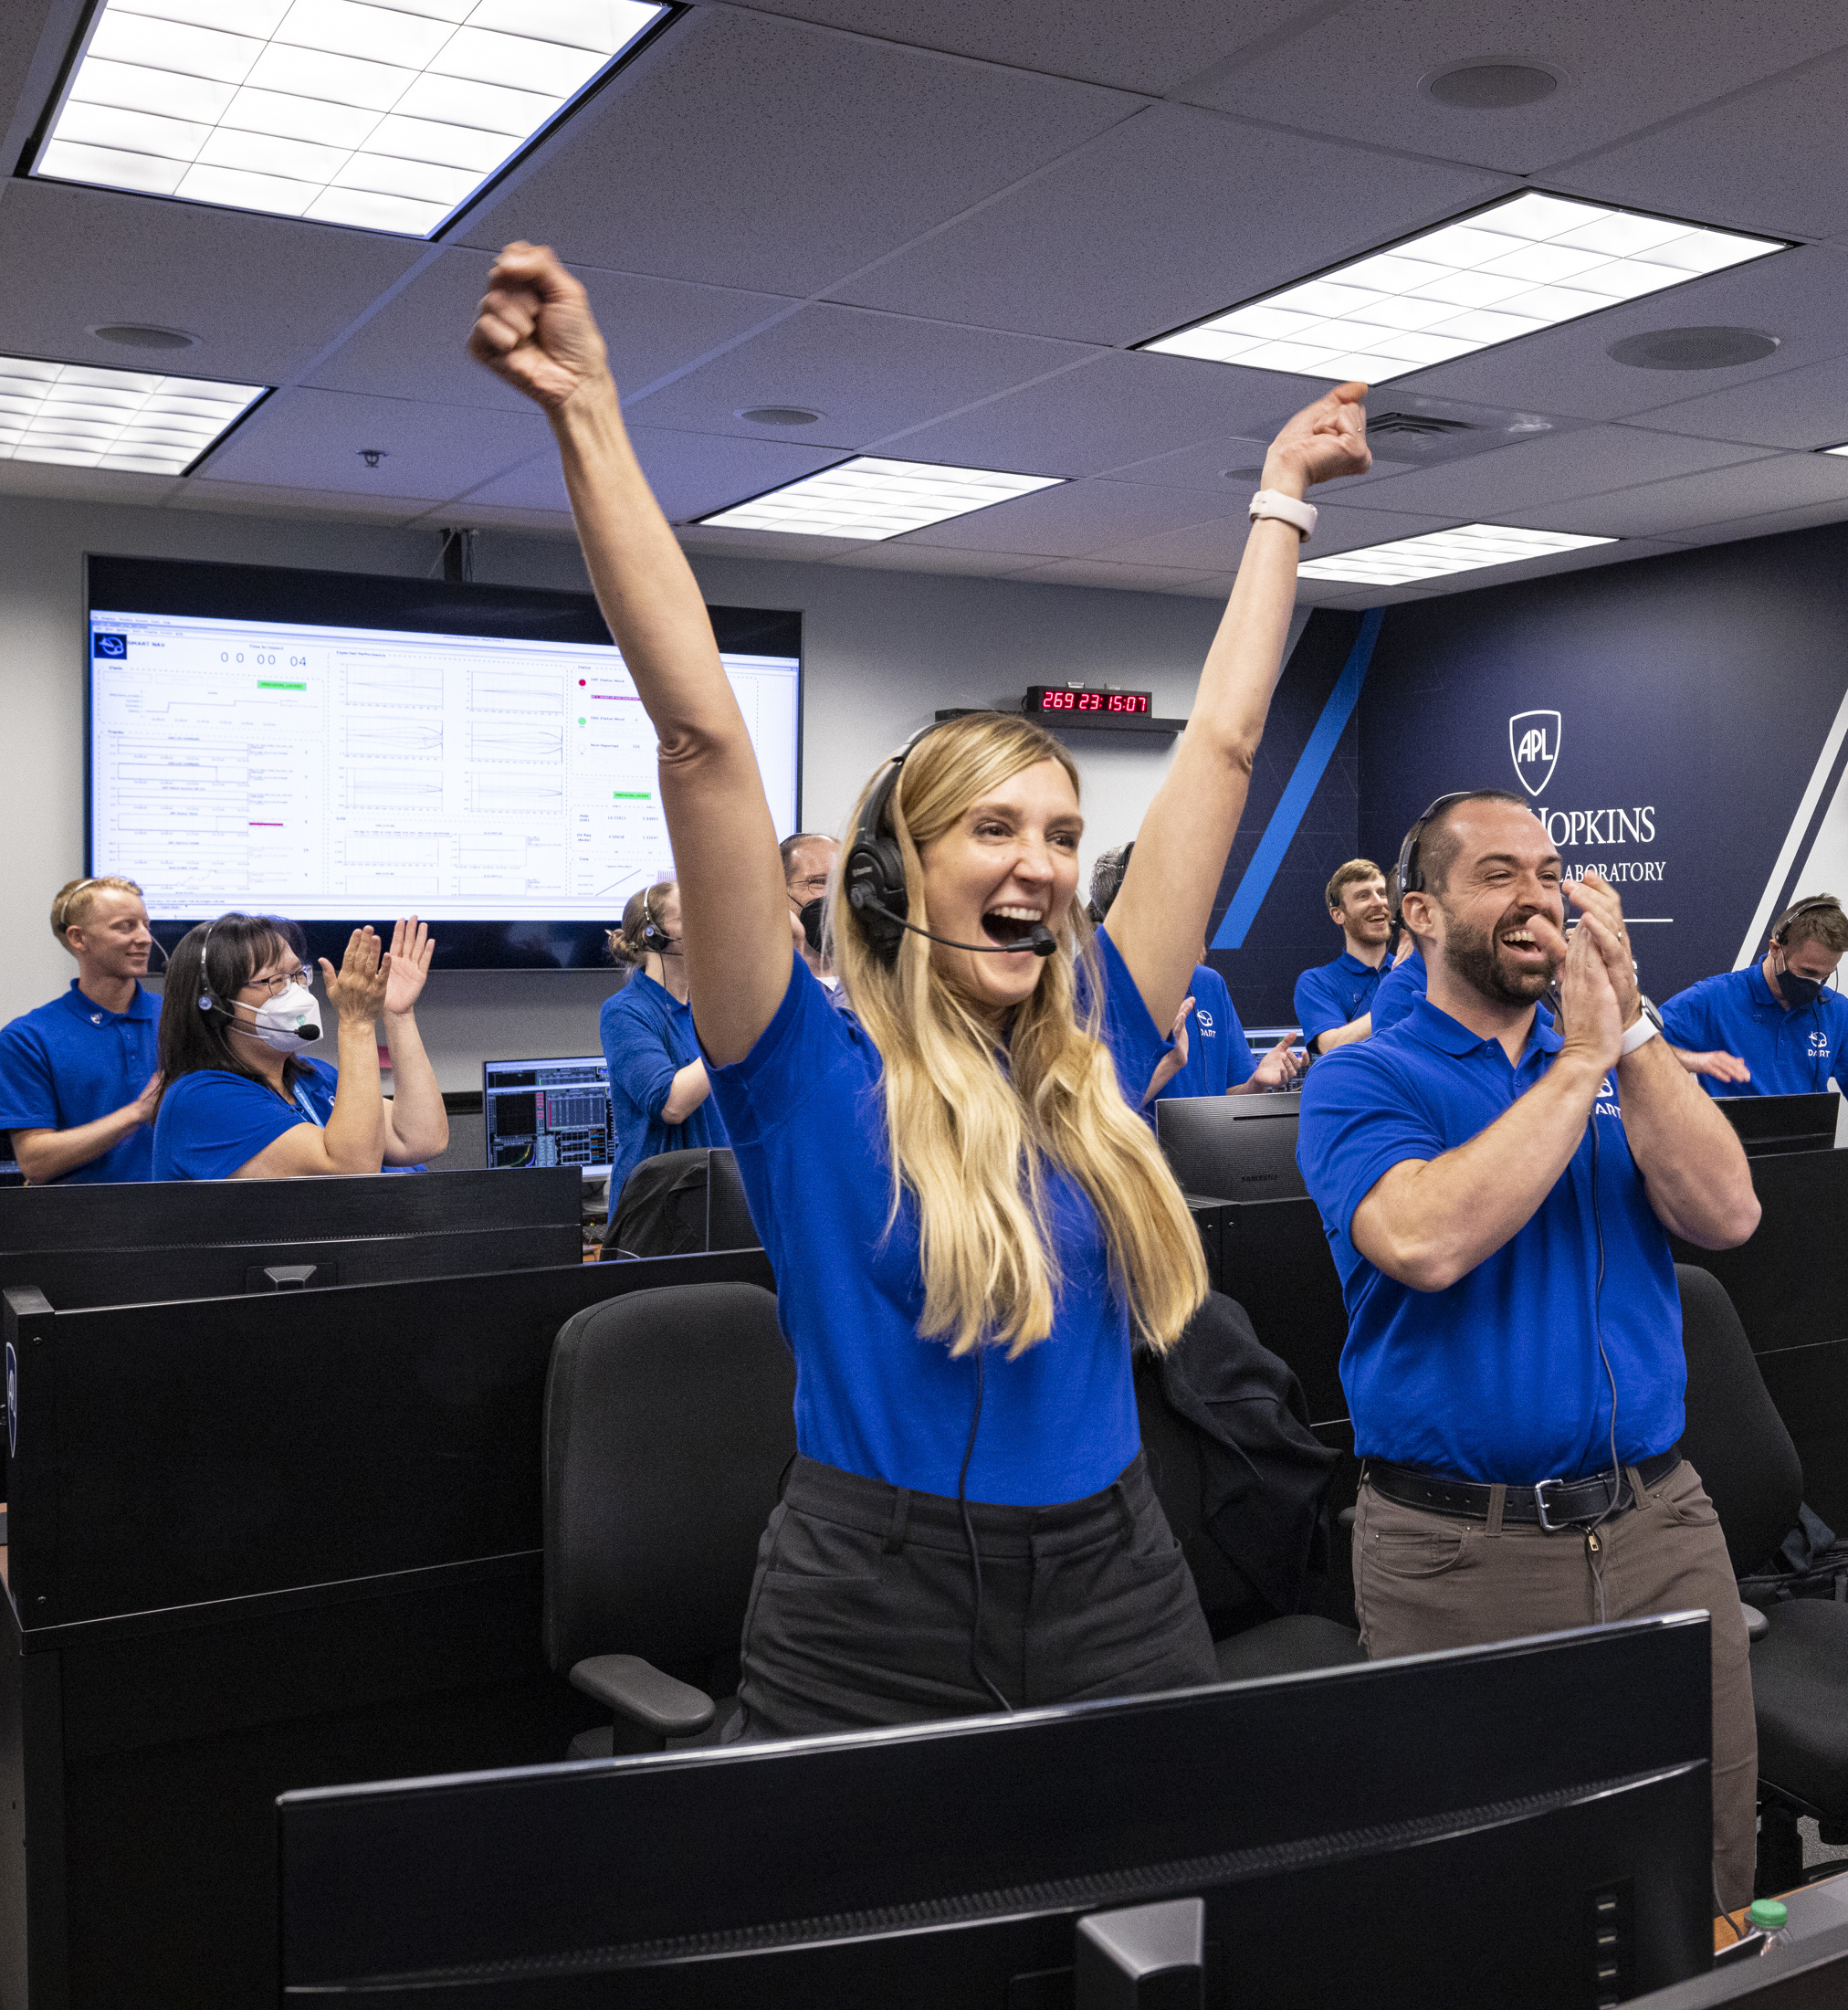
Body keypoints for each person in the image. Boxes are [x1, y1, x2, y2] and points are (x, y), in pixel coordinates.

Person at [472, 239, 1368, 1732]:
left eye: (1065, 834)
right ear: (899, 871)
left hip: (1118, 1578)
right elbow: (702, 736)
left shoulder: (1099, 1043)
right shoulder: (799, 1064)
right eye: (995, 828)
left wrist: (1278, 499)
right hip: (867, 1601)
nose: (1040, 863)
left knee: (1147, 1943)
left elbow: (1220, 745)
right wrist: (587, 413)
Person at [1295, 790, 1766, 1907]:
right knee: (1481, 1895)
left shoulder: (1619, 1061)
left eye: (1550, 872)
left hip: (1661, 1526)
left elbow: (1726, 1213)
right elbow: (1423, 1238)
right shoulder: (1371, 1075)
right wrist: (1578, 1063)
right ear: (1419, 911)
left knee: (1703, 1864)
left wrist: (1633, 1034)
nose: (1538, 897)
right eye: (1498, 873)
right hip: (1464, 1552)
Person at [152, 914, 446, 1179]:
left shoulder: (315, 1076)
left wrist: (398, 1013)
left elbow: (421, 1138)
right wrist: (357, 1024)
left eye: (297, 974)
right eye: (275, 980)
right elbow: (349, 1172)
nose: (295, 990)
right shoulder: (202, 1099)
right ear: (215, 1004)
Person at [1659, 895, 1848, 1138]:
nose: (1815, 983)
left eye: (1825, 975)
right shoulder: (1713, 997)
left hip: (1805, 1161)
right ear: (1775, 949)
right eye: (1807, 971)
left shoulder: (1838, 1011)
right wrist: (1695, 1061)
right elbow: (1640, 1045)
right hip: (1726, 1158)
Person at [1085, 844, 1302, 1107]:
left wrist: (1255, 1083)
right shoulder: (1086, 988)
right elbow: (1086, 1120)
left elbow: (1228, 1098)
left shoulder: (1209, 984)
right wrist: (1168, 1064)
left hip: (1205, 1149)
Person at [0, 877, 163, 1184]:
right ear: (78, 938)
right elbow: (35, 1161)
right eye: (125, 926)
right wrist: (137, 1112)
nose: (145, 938)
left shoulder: (177, 1018)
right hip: (83, 1223)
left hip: (185, 1215)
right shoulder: (27, 1038)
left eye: (146, 924)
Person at [600, 879, 730, 1194]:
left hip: (718, 1194)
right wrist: (732, 1035)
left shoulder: (711, 1009)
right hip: (658, 1207)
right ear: (652, 936)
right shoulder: (624, 1012)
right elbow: (671, 1104)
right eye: (688, 917)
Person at [1295, 858, 1400, 1055]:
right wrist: (1400, 996)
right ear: (1338, 915)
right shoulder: (1317, 982)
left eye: (1382, 893)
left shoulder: (1415, 970)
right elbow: (1333, 1046)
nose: (1378, 902)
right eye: (1363, 896)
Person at [782, 832, 842, 995]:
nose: (835, 894)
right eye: (819, 882)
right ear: (779, 891)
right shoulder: (764, 993)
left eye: (843, 882)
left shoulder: (880, 988)